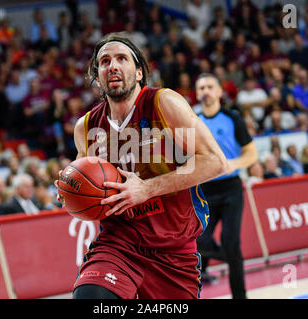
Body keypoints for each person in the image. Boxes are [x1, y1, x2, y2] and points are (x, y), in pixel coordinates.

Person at [55, 33, 227, 299]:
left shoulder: (164, 103)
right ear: (97, 77)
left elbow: (215, 162)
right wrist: (71, 193)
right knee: (91, 298)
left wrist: (147, 189)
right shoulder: (86, 127)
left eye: (121, 58)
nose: (112, 65)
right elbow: (88, 187)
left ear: (138, 73)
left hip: (173, 249)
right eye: (104, 61)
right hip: (119, 243)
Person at [193, 73, 258, 299]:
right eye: (201, 88)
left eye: (210, 87)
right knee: (199, 241)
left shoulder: (233, 118)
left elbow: (252, 153)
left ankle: (240, 296)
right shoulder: (193, 121)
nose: (206, 91)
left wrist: (235, 164)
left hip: (231, 188)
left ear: (220, 92)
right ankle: (229, 259)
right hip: (204, 191)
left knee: (232, 242)